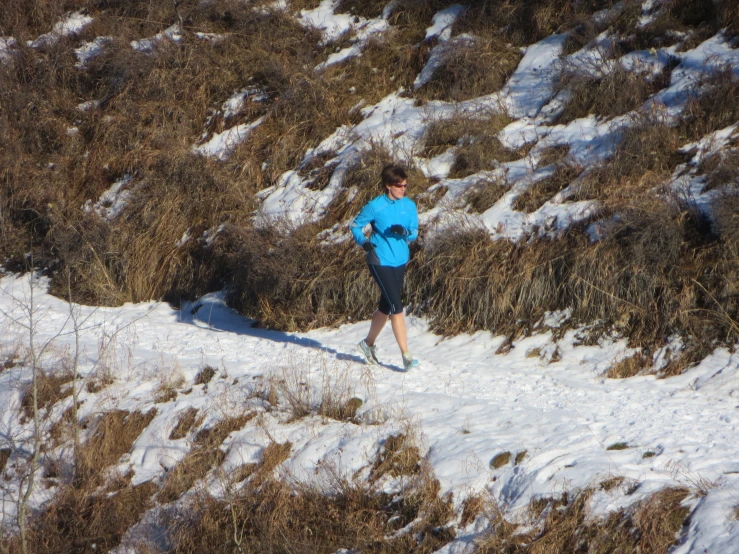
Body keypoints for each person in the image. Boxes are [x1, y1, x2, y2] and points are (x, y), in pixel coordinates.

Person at [350, 164, 420, 371]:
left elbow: (414, 232)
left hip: (400, 259)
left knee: (386, 306)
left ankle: (367, 344)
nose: (403, 189)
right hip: (379, 260)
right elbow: (355, 225)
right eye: (399, 186)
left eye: (405, 185)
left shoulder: (409, 205)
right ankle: (406, 356)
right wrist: (363, 242)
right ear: (388, 185)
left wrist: (405, 232)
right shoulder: (375, 206)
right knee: (397, 307)